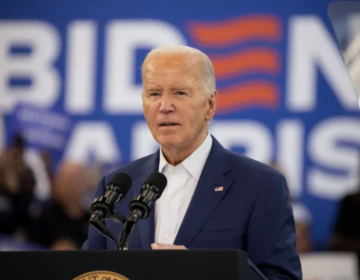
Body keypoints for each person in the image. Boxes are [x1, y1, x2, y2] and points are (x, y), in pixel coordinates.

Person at [83, 46, 301, 280]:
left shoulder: (260, 186)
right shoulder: (116, 187)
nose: (164, 106)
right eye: (154, 94)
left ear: (210, 105)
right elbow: (89, 273)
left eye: (180, 93)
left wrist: (202, 272)